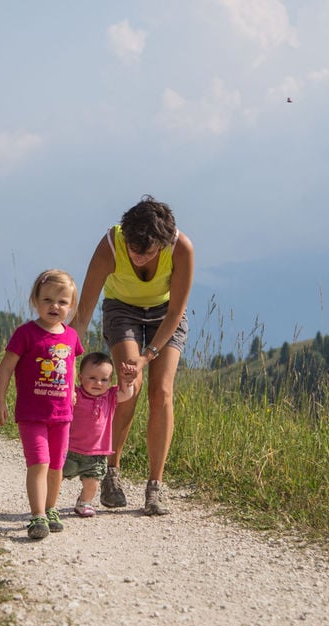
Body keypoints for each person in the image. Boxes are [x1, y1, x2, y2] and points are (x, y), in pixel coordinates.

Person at [68, 195, 194, 516]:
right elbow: (82, 316)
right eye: (132, 249)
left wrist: (148, 355)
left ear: (163, 245)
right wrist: (64, 362)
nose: (136, 256)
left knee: (161, 390)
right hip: (122, 310)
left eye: (146, 252)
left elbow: (177, 312)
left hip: (166, 315)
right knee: (129, 384)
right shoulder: (111, 246)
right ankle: (112, 472)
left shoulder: (181, 249)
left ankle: (155, 486)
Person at [0, 269, 84, 540]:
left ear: (71, 306)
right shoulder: (26, 334)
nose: (55, 306)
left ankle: (51, 508)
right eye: (47, 300)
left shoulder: (71, 336)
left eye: (62, 302)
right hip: (32, 415)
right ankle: (37, 515)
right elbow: (6, 368)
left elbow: (72, 365)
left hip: (62, 415)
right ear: (35, 300)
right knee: (39, 463)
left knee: (57, 467)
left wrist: (73, 391)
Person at [62, 351, 136, 517]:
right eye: (92, 378)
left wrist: (127, 382)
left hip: (96, 453)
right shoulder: (76, 394)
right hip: (69, 450)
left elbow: (127, 394)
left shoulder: (110, 397)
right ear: (80, 378)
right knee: (56, 477)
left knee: (92, 482)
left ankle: (84, 503)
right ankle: (47, 501)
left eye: (104, 380)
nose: (98, 383)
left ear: (110, 382)